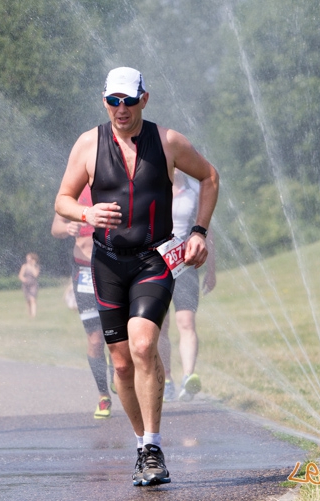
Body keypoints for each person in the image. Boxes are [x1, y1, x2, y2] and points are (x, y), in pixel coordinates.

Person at [54, 67, 219, 487]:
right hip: (107, 264)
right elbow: (63, 200)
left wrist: (199, 232)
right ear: (104, 101)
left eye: (129, 100)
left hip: (153, 259)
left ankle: (153, 444)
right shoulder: (89, 144)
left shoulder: (168, 142)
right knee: (122, 365)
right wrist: (86, 213)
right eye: (114, 101)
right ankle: (140, 445)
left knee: (145, 345)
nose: (121, 109)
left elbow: (210, 177)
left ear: (145, 98)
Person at [52, 185, 115, 419]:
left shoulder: (115, 181)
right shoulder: (74, 188)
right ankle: (103, 395)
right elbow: (56, 227)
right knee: (96, 339)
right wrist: (67, 227)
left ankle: (118, 371)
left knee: (118, 335)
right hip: (84, 271)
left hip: (113, 268)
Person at [159, 171, 216, 402]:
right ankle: (167, 379)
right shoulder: (152, 183)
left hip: (184, 263)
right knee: (161, 327)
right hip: (156, 263)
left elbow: (207, 231)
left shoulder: (194, 190)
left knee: (186, 321)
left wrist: (211, 270)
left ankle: (188, 376)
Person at [18, 253, 40, 318]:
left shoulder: (36, 267)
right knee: (28, 301)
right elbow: (20, 275)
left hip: (33, 285)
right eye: (27, 258)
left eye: (29, 258)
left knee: (33, 299)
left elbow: (35, 275)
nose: (28, 259)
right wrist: (23, 279)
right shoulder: (24, 266)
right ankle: (29, 314)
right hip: (26, 285)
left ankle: (33, 315)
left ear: (33, 259)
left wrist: (32, 266)